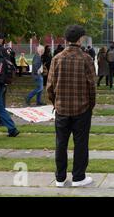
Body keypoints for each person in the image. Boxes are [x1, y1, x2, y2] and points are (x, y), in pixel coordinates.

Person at [46, 25, 96, 188]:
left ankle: (60, 178)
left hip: (62, 107)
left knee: (61, 143)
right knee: (81, 143)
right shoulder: (86, 59)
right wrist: (90, 105)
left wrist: (55, 102)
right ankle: (78, 177)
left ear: (66, 39)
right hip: (82, 108)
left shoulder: (57, 58)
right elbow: (92, 87)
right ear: (80, 39)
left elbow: (50, 86)